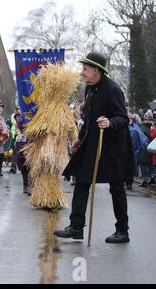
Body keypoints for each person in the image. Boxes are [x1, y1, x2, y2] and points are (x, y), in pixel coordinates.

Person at [54, 52, 135, 244]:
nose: (82, 72)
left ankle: (122, 230)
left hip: (113, 148)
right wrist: (80, 139)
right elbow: (89, 120)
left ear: (97, 70)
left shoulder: (112, 89)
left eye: (85, 69)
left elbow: (122, 118)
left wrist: (109, 122)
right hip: (92, 144)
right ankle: (76, 227)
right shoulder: (89, 89)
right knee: (82, 181)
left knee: (116, 187)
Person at [14, 113, 31, 196]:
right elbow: (19, 124)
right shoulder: (19, 115)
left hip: (30, 141)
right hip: (21, 143)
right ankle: (25, 184)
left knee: (30, 165)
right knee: (23, 166)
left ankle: (30, 185)